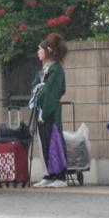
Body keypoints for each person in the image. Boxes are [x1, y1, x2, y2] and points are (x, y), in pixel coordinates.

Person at [30, 33, 69, 189]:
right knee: (44, 142)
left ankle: (60, 175)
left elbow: (51, 91)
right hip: (42, 111)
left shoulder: (56, 70)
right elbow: (35, 87)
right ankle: (50, 174)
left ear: (49, 50)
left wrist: (43, 105)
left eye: (40, 49)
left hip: (50, 111)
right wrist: (39, 90)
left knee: (54, 141)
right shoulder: (45, 70)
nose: (38, 52)